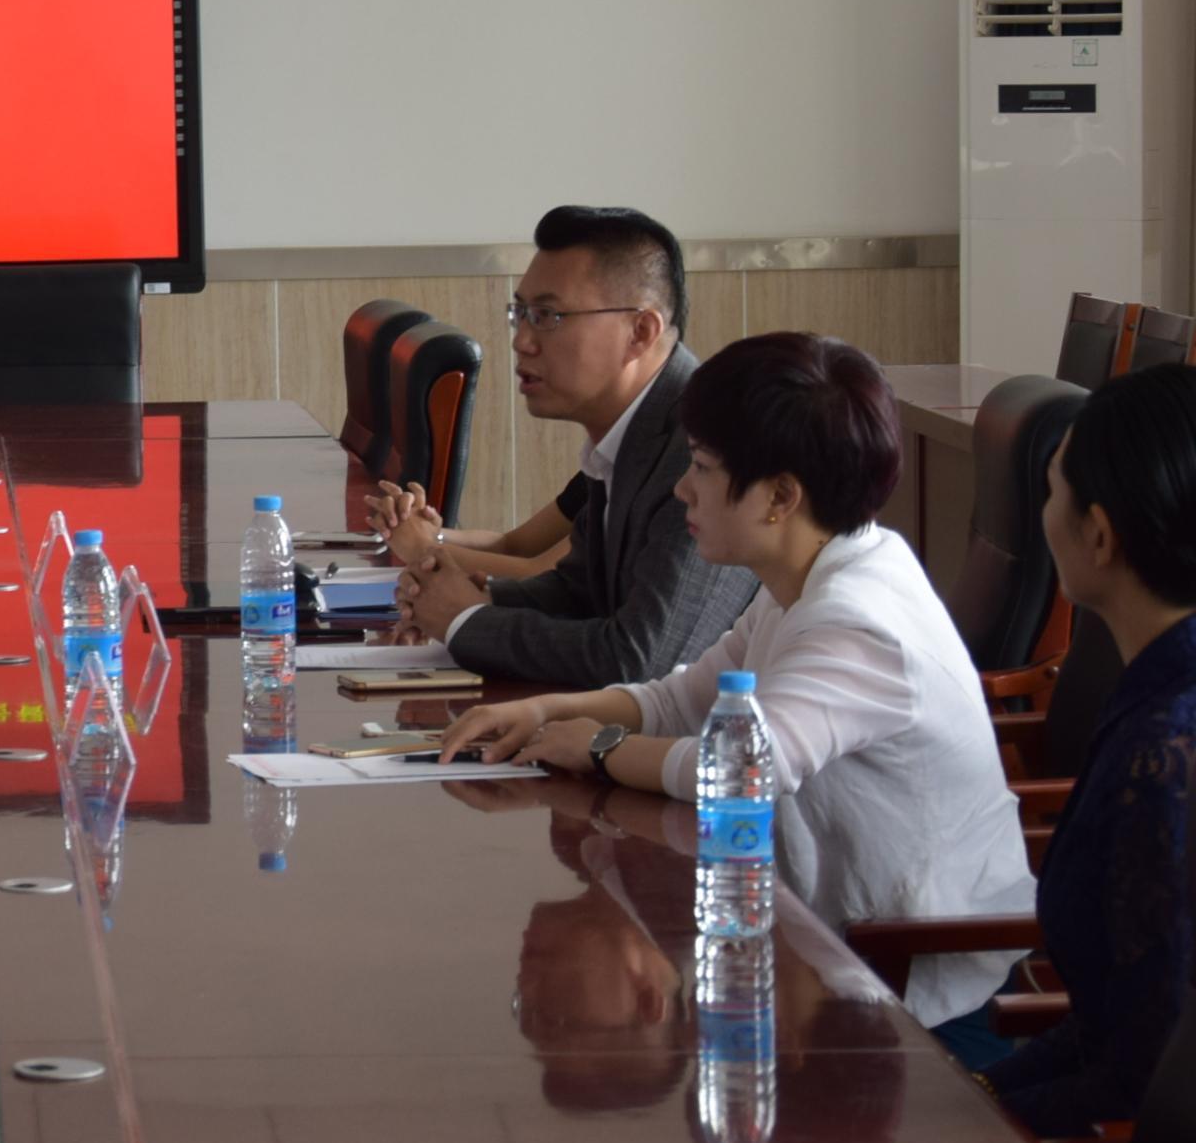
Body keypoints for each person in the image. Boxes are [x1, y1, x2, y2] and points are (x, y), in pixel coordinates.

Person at [440, 333, 1034, 1043]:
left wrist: (598, 746)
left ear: (781, 496)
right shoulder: (813, 574)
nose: (682, 488)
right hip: (825, 952)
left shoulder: (859, 620)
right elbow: (683, 698)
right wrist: (540, 709)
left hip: (918, 994)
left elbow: (736, 772)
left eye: (701, 467)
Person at [395, 205, 758, 685]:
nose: (522, 341)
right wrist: (471, 595)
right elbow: (582, 590)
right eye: (520, 313)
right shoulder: (634, 429)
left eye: (547, 316)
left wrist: (466, 620)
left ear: (640, 332)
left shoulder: (704, 444)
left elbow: (642, 661)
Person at [984, 363, 1196, 1137]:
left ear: (1100, 534)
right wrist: (971, 1095)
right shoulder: (1158, 693)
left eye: (1051, 491)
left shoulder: (1164, 756)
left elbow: (1142, 1078)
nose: (1042, 513)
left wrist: (971, 1125)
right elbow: (1112, 1025)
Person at [370, 475, 575, 582]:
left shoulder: (607, 475)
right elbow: (512, 546)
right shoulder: (597, 471)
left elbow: (542, 578)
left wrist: (423, 549)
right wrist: (433, 534)